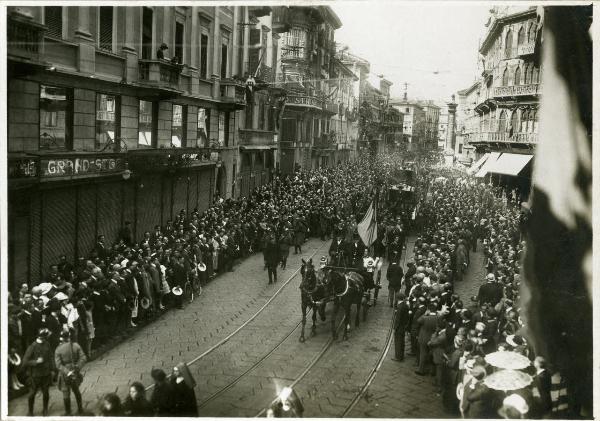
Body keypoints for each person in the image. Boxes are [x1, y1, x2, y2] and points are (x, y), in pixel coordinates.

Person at [22, 328, 54, 416]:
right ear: (41, 337)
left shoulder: (47, 344)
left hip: (46, 374)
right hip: (35, 375)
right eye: (45, 336)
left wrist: (52, 369)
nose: (46, 337)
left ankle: (45, 409)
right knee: (32, 394)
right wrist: (36, 362)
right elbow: (24, 361)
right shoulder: (32, 347)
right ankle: (30, 411)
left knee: (46, 392)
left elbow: (50, 357)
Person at [54, 329, 86, 415]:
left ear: (61, 338)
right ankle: (80, 409)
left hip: (64, 374)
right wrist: (77, 367)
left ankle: (68, 412)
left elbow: (58, 365)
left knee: (65, 392)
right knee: (76, 390)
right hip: (75, 371)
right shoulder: (76, 345)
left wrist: (67, 372)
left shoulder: (58, 349)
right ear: (69, 336)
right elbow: (83, 358)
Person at [392, 294, 410, 361]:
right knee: (402, 342)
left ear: (397, 299)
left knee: (398, 342)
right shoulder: (405, 305)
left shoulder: (399, 307)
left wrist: (395, 328)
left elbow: (398, 319)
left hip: (399, 327)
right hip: (403, 326)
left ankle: (398, 357)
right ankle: (401, 355)